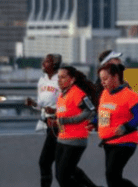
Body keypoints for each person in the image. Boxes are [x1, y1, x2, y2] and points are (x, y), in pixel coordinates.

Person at [95, 63, 138, 187]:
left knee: (112, 176)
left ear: (116, 77)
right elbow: (103, 115)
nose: (103, 83)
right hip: (108, 142)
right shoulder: (105, 94)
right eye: (101, 80)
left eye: (105, 79)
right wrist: (93, 122)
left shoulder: (129, 95)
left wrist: (125, 127)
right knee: (113, 178)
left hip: (125, 142)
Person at [49, 65, 99, 187]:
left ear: (71, 80)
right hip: (62, 139)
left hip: (76, 140)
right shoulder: (61, 95)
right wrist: (56, 120)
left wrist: (66, 120)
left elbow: (89, 111)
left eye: (63, 77)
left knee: (63, 177)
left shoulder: (77, 93)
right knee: (62, 174)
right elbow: (64, 114)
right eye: (58, 77)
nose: (59, 80)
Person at [25, 53, 62, 187]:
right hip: (48, 125)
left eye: (46, 62)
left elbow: (67, 104)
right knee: (60, 165)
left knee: (45, 162)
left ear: (54, 64)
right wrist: (34, 104)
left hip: (59, 125)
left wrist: (56, 113)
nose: (43, 64)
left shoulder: (61, 80)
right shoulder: (42, 81)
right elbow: (42, 106)